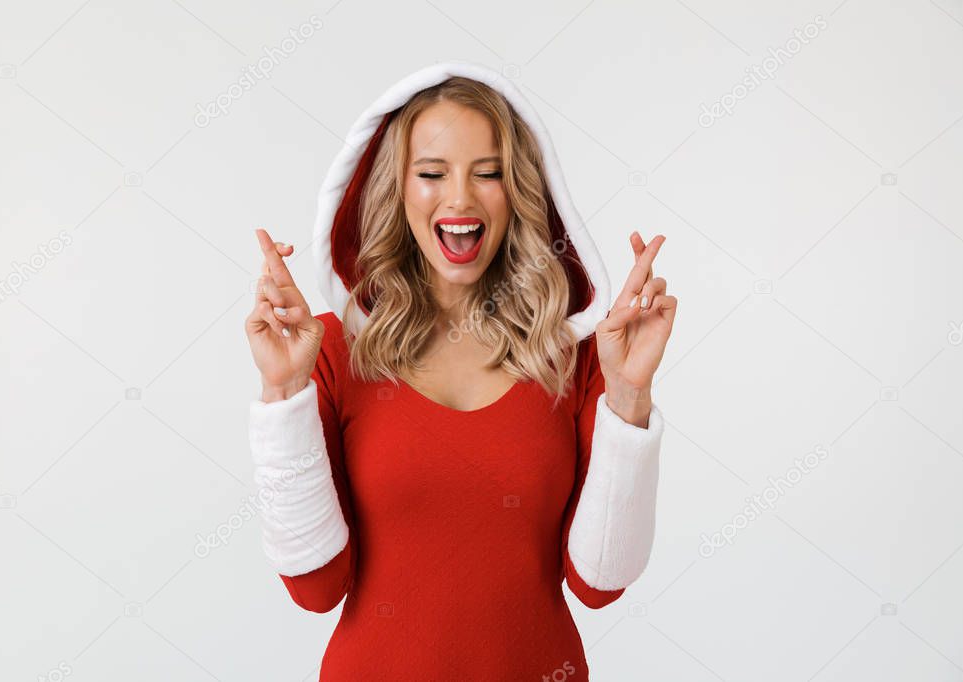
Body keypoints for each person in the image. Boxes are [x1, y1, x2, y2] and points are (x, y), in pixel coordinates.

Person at [244, 61, 676, 680]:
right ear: (398, 189)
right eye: (431, 173)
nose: (460, 199)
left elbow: (599, 585)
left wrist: (630, 396)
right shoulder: (334, 350)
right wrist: (284, 392)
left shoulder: (578, 356)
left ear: (519, 191)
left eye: (488, 174)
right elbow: (315, 588)